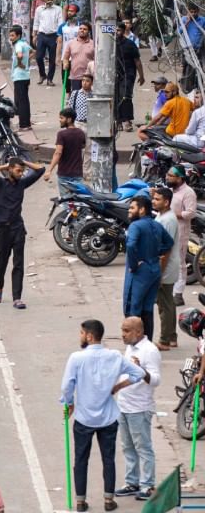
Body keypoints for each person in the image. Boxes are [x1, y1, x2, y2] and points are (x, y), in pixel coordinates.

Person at [61, 319, 153, 513]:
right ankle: (108, 500)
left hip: (84, 418)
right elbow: (138, 373)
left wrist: (69, 403)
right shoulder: (115, 356)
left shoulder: (76, 358)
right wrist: (118, 387)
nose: (80, 336)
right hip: (108, 417)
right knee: (108, 459)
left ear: (89, 335)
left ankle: (80, 501)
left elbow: (67, 386)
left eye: (81, 333)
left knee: (80, 460)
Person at [0, 157, 45, 309]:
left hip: (18, 228)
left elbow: (40, 170)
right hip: (3, 230)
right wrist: (7, 165)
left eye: (22, 171)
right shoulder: (0, 184)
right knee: (2, 263)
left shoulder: (22, 184)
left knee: (18, 263)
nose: (21, 173)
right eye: (18, 170)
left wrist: (25, 162)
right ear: (10, 170)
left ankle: (17, 298)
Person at [115, 317, 161, 501]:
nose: (122, 335)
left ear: (138, 332)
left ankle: (147, 484)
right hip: (124, 405)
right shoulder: (130, 348)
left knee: (143, 447)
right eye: (122, 330)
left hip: (140, 408)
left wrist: (142, 370)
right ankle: (132, 482)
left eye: (126, 331)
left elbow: (156, 380)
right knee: (127, 447)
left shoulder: (150, 351)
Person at [123, 196, 174, 342]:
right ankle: (147, 343)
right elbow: (169, 243)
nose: (129, 211)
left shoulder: (135, 226)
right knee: (147, 309)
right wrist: (156, 252)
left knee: (133, 309)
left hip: (140, 272)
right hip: (154, 270)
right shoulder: (156, 225)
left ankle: (134, 344)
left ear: (142, 209)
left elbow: (131, 246)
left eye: (132, 208)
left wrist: (133, 265)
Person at [151, 187, 180, 350]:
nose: (154, 201)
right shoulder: (162, 216)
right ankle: (172, 337)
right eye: (154, 199)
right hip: (165, 265)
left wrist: (160, 273)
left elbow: (165, 248)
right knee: (167, 302)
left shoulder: (168, 220)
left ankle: (165, 340)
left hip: (166, 266)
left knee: (165, 304)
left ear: (166, 202)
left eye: (157, 199)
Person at [167, 165, 197, 305]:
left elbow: (190, 213)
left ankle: (178, 294)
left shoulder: (188, 192)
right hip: (167, 231)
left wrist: (174, 215)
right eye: (168, 175)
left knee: (179, 263)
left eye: (171, 176)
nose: (168, 177)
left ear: (180, 178)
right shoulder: (170, 191)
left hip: (180, 232)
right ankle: (165, 292)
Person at [43, 107, 85, 194]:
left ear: (69, 119)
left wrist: (49, 170)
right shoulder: (81, 133)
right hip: (78, 173)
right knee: (78, 201)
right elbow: (82, 146)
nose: (60, 120)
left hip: (65, 174)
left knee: (66, 201)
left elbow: (58, 153)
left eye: (62, 118)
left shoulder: (62, 134)